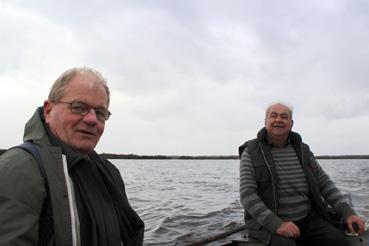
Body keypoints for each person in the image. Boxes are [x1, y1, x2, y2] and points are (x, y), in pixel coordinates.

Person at [0, 67, 144, 246]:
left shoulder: (109, 173)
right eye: (78, 108)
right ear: (48, 110)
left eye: (100, 113)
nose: (92, 120)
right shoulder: (19, 168)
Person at [239, 102, 365, 246]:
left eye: (284, 116)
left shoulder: (303, 150)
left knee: (338, 242)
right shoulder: (250, 152)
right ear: (265, 121)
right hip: (269, 225)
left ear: (291, 124)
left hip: (307, 219)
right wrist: (277, 224)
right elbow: (247, 194)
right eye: (273, 116)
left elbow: (324, 183)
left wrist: (348, 213)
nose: (278, 120)